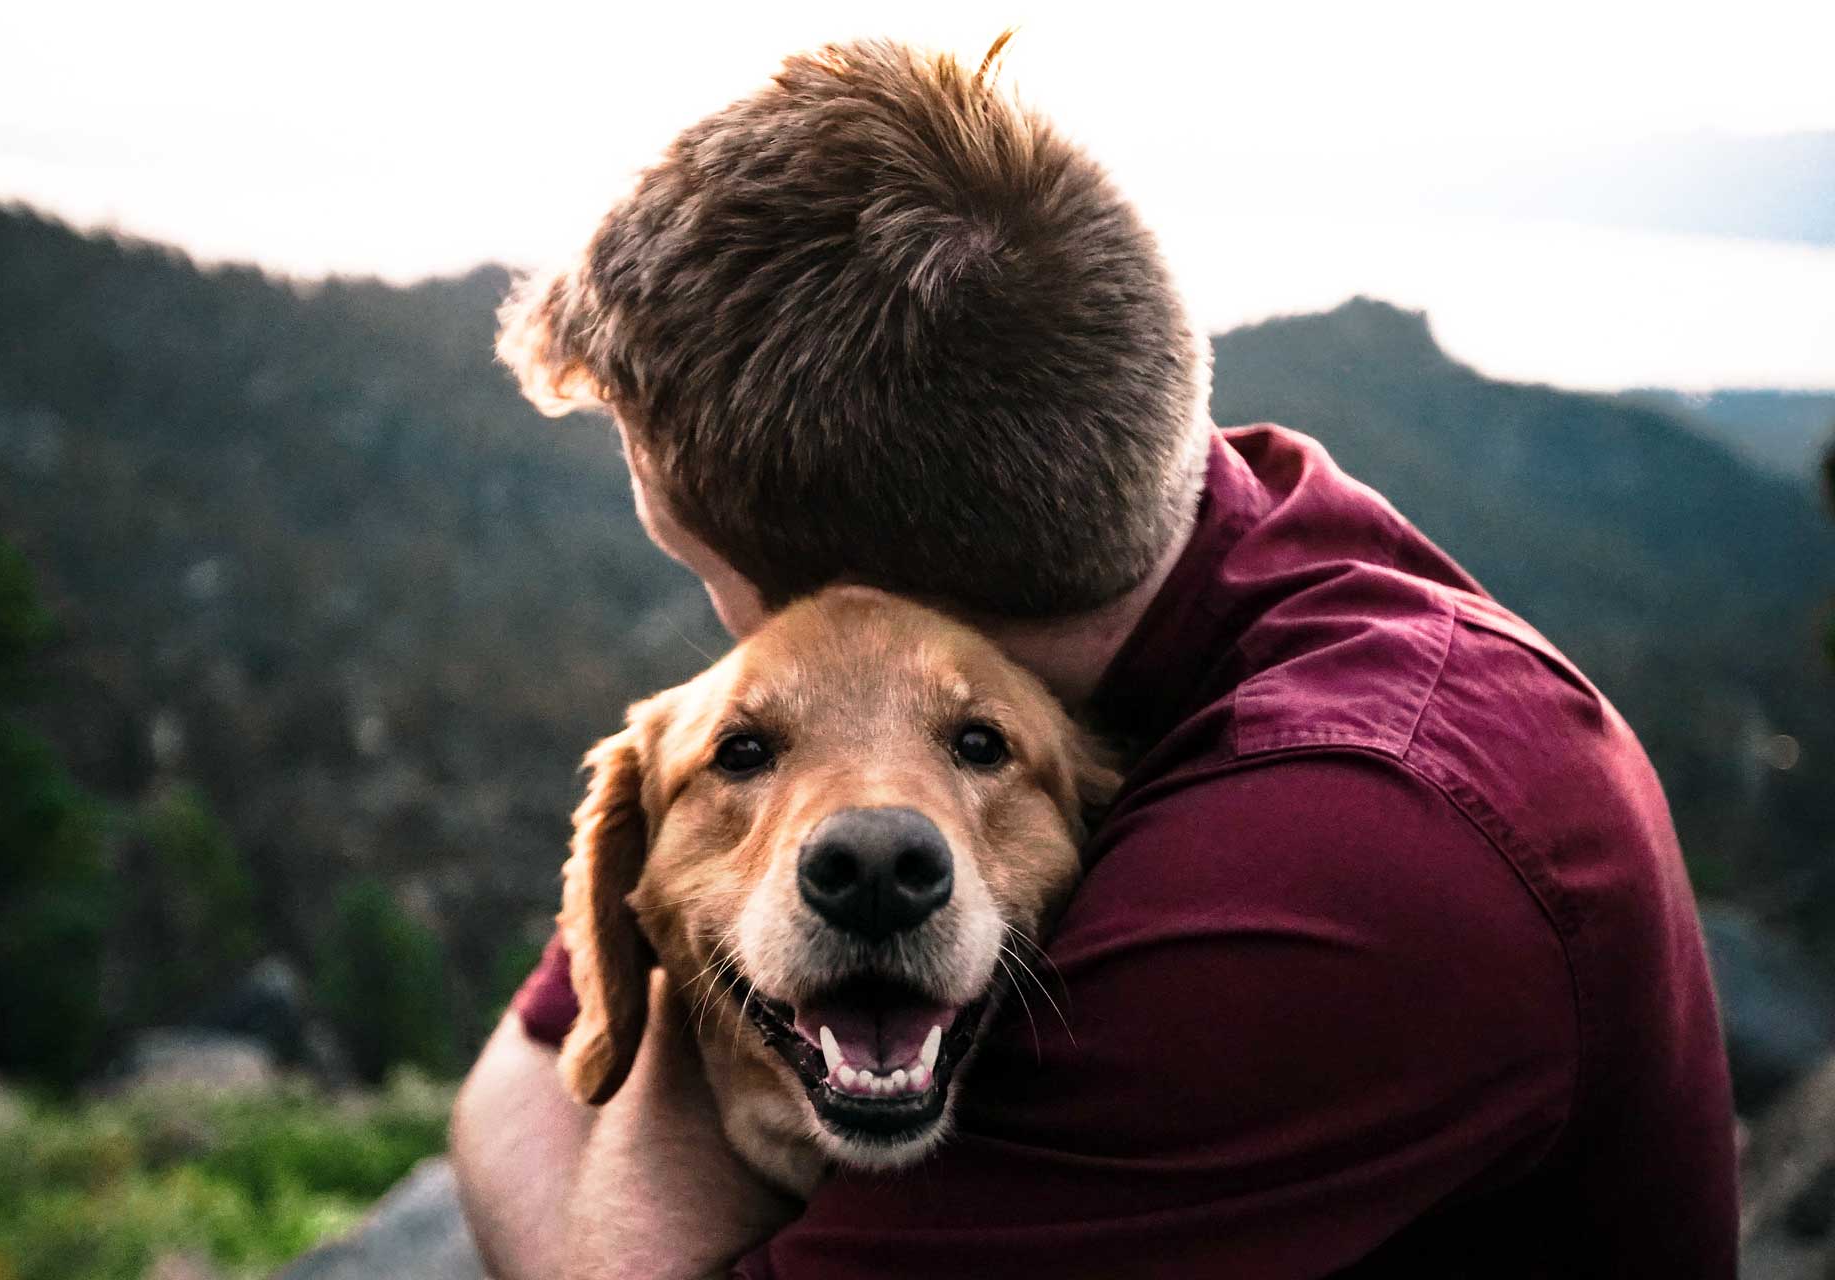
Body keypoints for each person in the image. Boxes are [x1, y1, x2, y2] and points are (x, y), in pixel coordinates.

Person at [451, 35, 1737, 1279]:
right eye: (753, 732)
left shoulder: (1342, 870)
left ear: (870, 602)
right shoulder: (1169, 519)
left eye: (705, 575)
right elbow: (521, 1071)